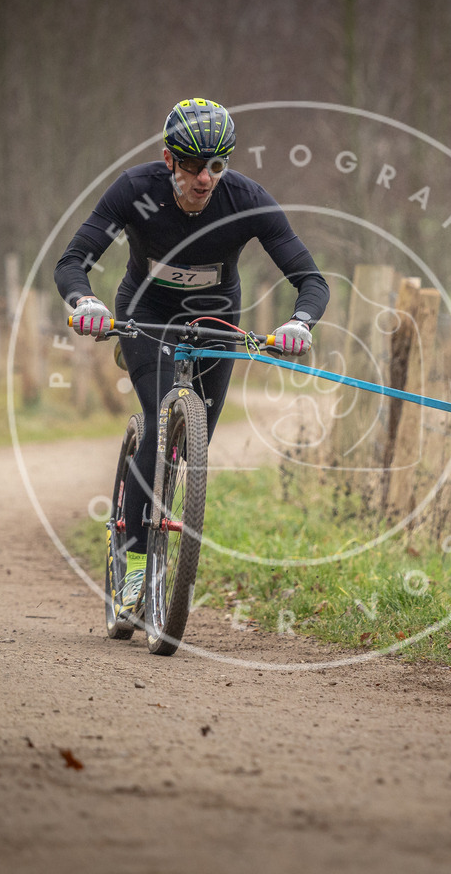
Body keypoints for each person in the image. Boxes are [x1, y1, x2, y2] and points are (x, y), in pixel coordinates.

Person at [55, 97, 329, 623]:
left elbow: (310, 279)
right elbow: (73, 260)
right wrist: (84, 302)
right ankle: (134, 564)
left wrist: (300, 322)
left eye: (217, 166)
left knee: (189, 439)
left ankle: (176, 485)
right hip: (144, 313)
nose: (205, 179)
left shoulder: (247, 199)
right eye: (193, 166)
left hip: (216, 318)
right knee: (160, 428)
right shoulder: (135, 190)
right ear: (168, 160)